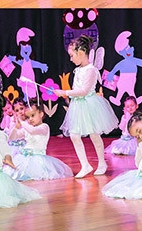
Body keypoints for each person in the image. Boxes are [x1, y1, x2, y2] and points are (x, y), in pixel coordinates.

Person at [54, 35, 118, 178]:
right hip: (78, 106)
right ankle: (85, 165)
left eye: (72, 55)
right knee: (74, 135)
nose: (71, 59)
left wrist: (64, 92)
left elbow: (83, 91)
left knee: (94, 134)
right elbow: (77, 90)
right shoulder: (78, 70)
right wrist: (67, 94)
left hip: (89, 105)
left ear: (81, 53)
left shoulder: (91, 70)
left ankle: (102, 163)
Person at [3, 101, 73, 181]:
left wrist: (22, 122)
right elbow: (12, 138)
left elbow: (33, 131)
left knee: (36, 175)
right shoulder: (27, 129)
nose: (30, 119)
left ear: (41, 114)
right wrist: (16, 127)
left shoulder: (44, 127)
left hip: (38, 159)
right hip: (25, 158)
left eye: (33, 115)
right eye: (28, 117)